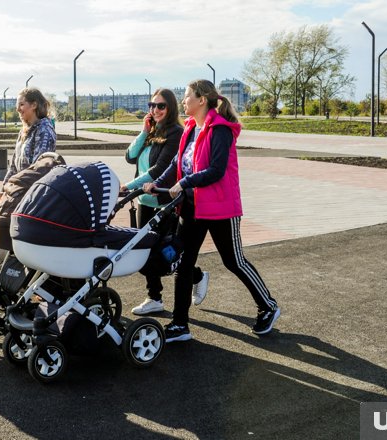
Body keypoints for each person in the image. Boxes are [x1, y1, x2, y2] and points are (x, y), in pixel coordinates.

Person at [145, 79, 280, 342]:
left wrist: (184, 182)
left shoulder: (220, 130)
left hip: (220, 208)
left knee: (233, 261)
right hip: (192, 207)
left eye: (187, 97)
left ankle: (268, 305)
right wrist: (157, 185)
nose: (184, 101)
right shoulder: (191, 129)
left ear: (201, 100)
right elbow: (177, 163)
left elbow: (216, 170)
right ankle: (180, 324)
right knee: (183, 263)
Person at [119, 88, 209, 316]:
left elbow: (158, 169)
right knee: (145, 251)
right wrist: (143, 131)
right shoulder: (152, 131)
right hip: (145, 200)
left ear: (170, 108)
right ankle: (154, 297)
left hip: (164, 202)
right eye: (152, 105)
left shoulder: (176, 133)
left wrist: (129, 188)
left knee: (165, 252)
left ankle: (196, 275)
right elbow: (130, 157)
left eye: (160, 106)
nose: (155, 110)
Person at [0, 88, 56, 200]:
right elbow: (13, 166)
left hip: (33, 196)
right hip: (19, 192)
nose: (18, 109)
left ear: (34, 105)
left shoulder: (44, 131)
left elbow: (37, 170)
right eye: (17, 106)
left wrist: (13, 191)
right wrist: (4, 190)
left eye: (21, 104)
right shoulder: (24, 130)